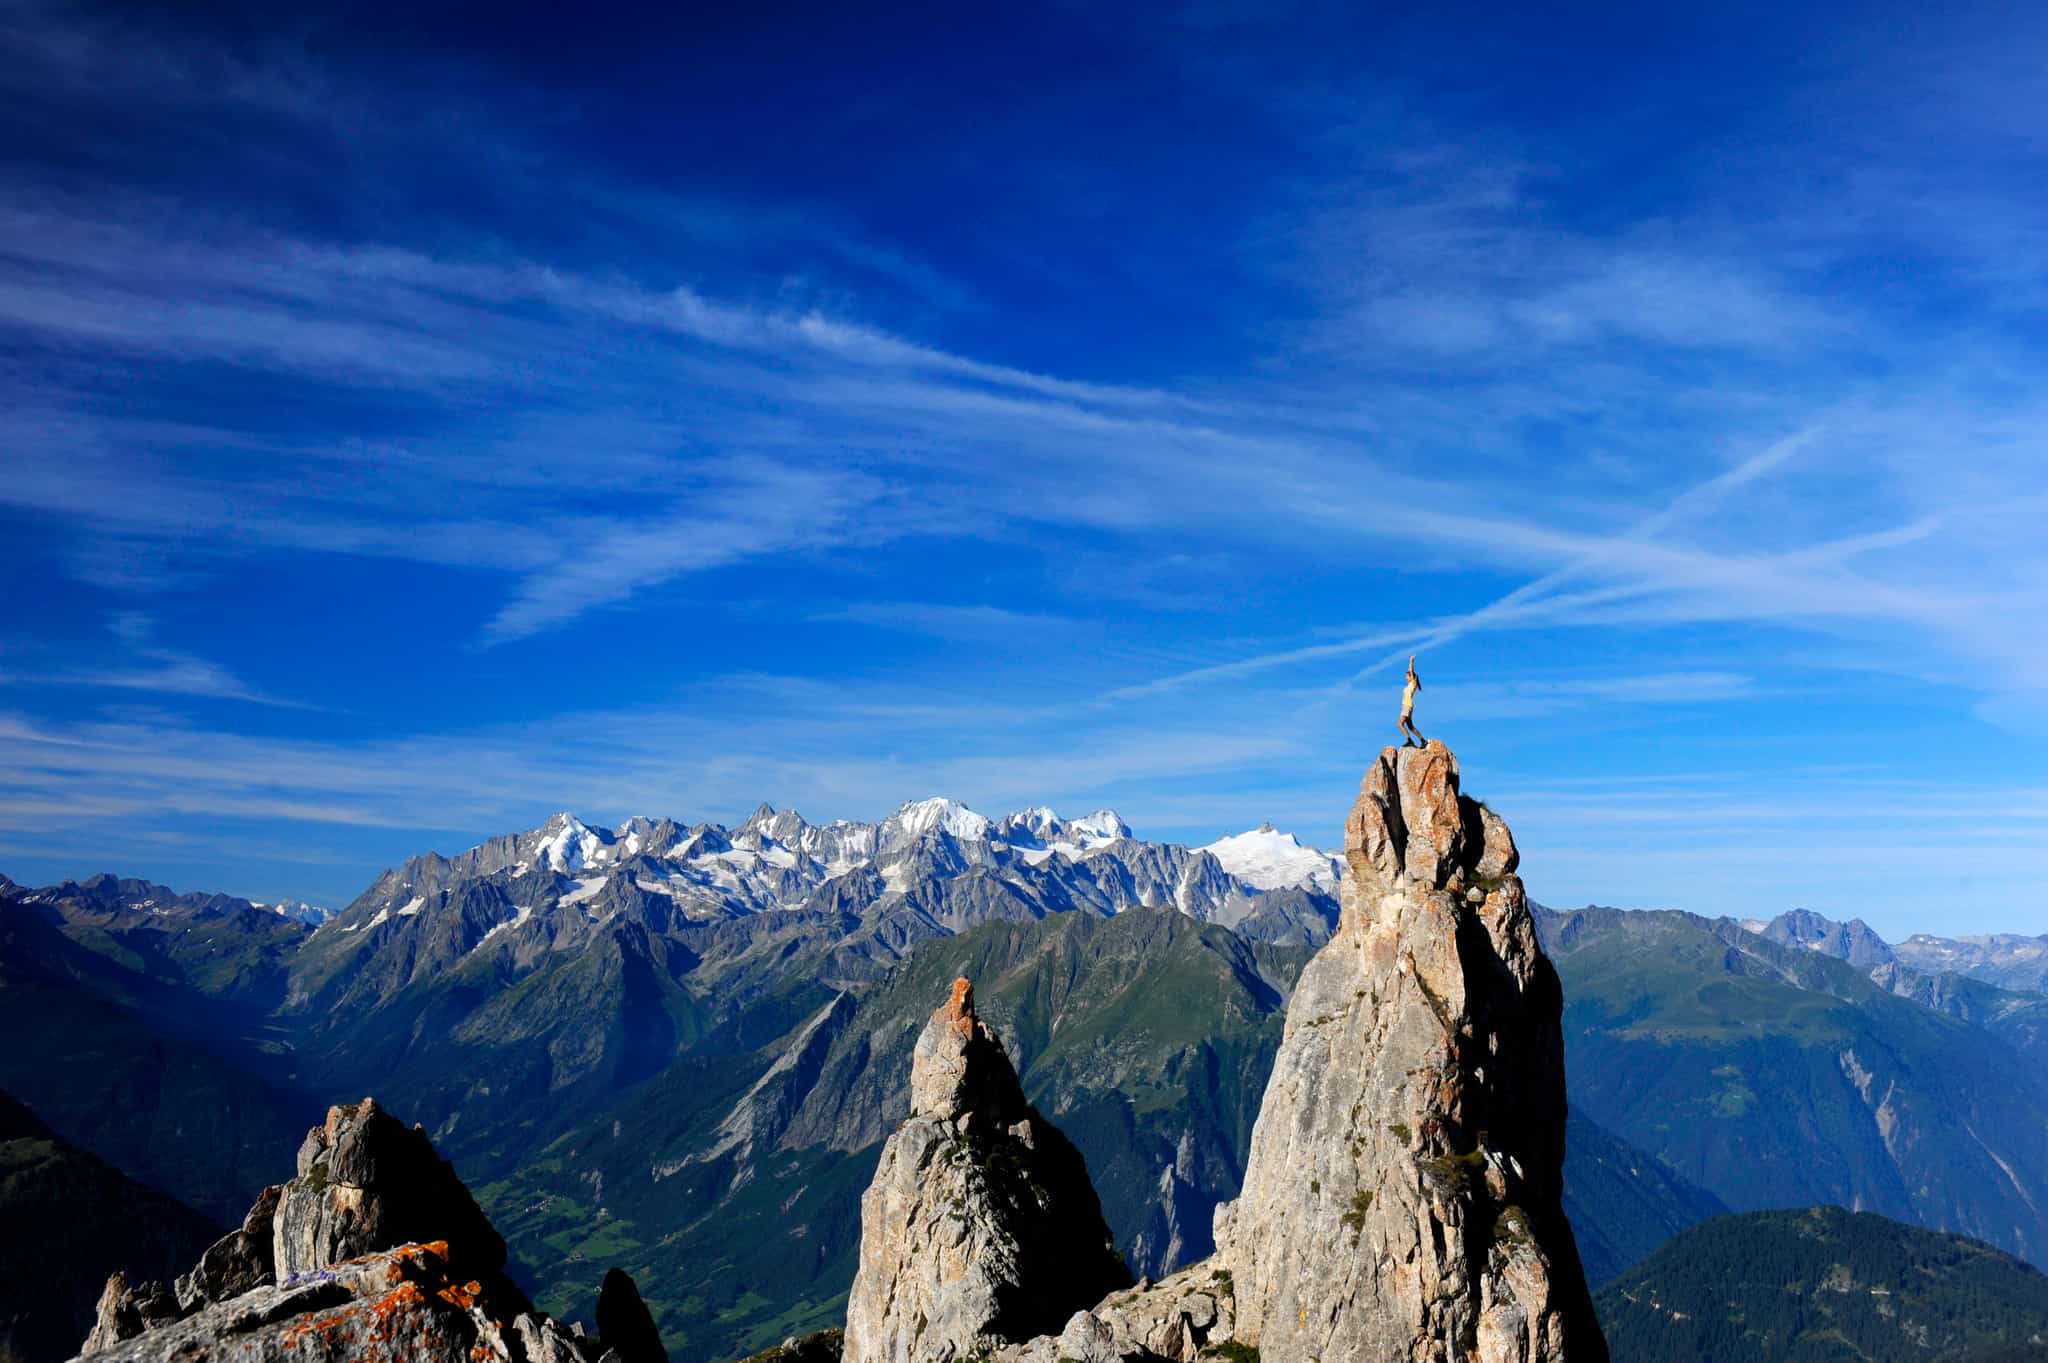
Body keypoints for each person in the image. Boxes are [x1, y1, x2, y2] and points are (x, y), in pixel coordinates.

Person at [1398, 654, 1424, 747]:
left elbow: (1411, 670)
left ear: (1411, 676)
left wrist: (1411, 661)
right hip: (1408, 706)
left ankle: (1410, 741)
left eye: (1406, 676)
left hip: (1407, 706)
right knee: (1410, 727)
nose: (1405, 677)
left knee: (1400, 724)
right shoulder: (1410, 685)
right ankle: (1423, 741)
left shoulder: (1413, 683)